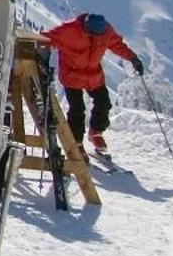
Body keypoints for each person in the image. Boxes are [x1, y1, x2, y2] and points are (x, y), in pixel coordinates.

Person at [40, 12, 142, 154]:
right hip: (72, 75)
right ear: (86, 28)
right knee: (77, 109)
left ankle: (95, 133)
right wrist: (40, 51)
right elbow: (46, 38)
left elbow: (117, 44)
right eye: (92, 35)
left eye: (99, 36)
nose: (96, 38)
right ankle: (76, 142)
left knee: (104, 103)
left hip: (93, 75)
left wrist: (133, 58)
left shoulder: (106, 31)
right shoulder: (69, 30)